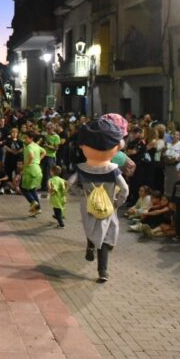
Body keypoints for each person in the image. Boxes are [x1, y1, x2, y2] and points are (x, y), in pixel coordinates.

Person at [72, 117, 129, 283]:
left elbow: (70, 184)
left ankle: (90, 245)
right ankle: (102, 271)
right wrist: (117, 202)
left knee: (91, 228)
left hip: (87, 204)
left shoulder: (81, 169)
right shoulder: (113, 170)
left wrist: (81, 193)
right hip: (107, 206)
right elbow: (125, 189)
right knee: (104, 236)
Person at [20, 131, 46, 216]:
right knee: (32, 189)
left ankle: (33, 202)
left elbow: (31, 156)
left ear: (31, 138)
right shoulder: (36, 145)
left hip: (30, 169)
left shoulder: (29, 147)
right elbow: (44, 152)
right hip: (37, 168)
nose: (25, 139)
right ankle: (38, 209)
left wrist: (26, 165)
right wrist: (38, 160)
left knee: (23, 189)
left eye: (26, 138)